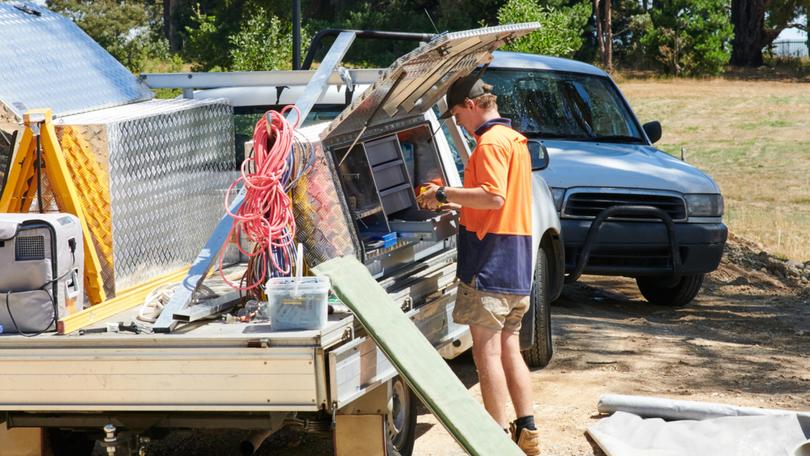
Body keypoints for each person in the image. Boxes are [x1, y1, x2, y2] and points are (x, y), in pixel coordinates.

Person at [418, 74, 541, 455]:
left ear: (471, 105)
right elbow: (498, 202)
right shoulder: (513, 140)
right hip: (517, 262)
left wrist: (441, 193)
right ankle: (528, 432)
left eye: (457, 114)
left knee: (485, 355)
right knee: (509, 350)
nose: (458, 122)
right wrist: (457, 203)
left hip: (489, 264)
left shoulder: (489, 144)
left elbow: (492, 198)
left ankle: (493, 441)